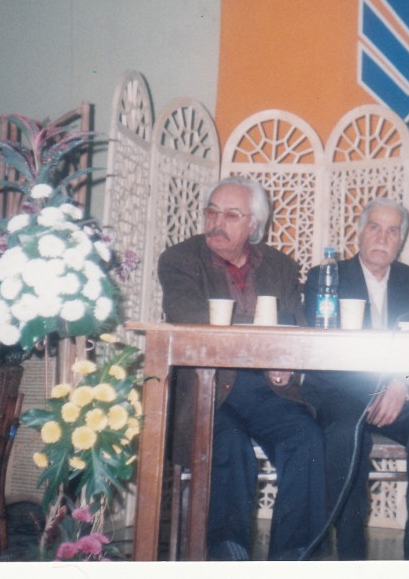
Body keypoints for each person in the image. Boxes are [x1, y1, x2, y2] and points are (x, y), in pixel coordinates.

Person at [157, 176, 326, 561]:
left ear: (254, 224)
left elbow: (296, 324)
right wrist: (268, 332)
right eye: (212, 212)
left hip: (267, 387)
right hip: (208, 387)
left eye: (231, 215)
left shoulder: (280, 265)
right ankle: (227, 555)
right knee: (229, 444)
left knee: (307, 439)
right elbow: (192, 318)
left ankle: (295, 557)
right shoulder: (180, 260)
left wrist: (286, 362)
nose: (217, 222)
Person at [301, 198, 409, 560]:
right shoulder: (326, 277)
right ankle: (351, 557)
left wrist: (403, 382)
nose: (383, 237)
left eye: (392, 230)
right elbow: (322, 353)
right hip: (340, 393)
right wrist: (381, 389)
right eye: (375, 227)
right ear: (360, 232)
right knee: (343, 435)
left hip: (399, 393)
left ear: (401, 239)